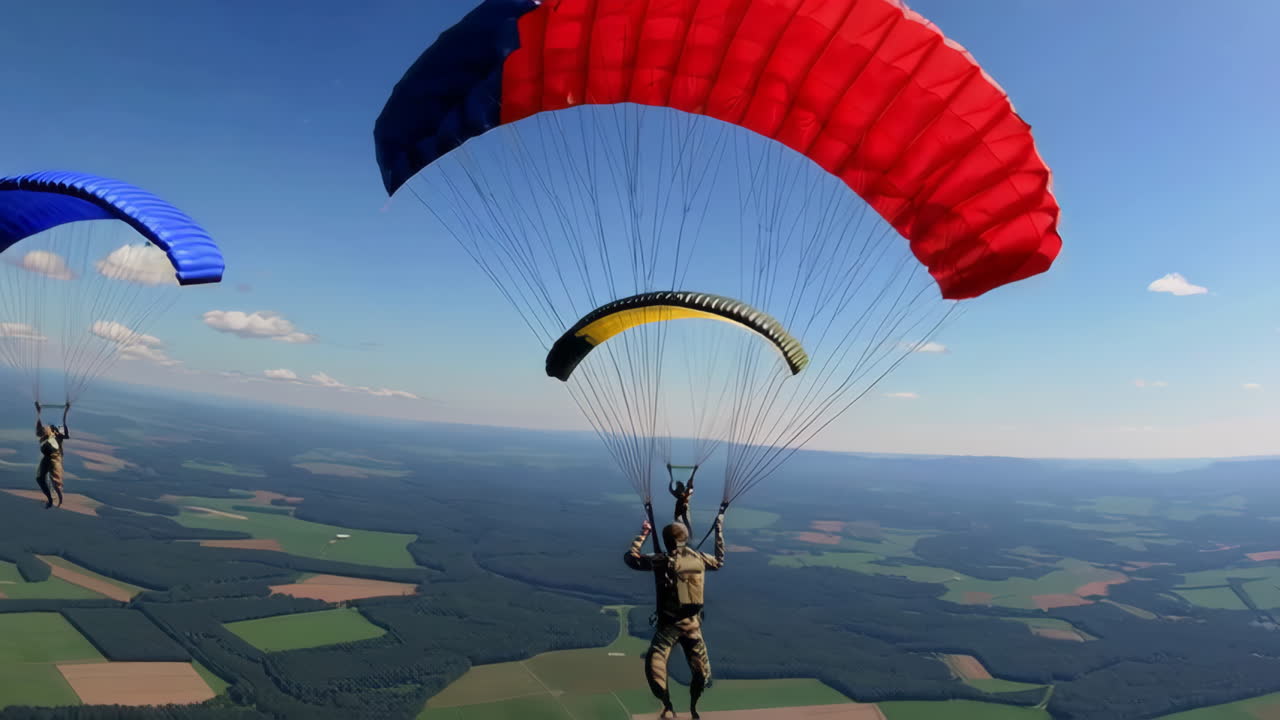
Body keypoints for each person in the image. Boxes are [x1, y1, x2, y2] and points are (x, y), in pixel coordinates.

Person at [625, 516, 726, 720]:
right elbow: (719, 561)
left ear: (667, 541)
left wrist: (644, 533)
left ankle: (667, 706)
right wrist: (718, 529)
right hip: (692, 626)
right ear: (685, 539)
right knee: (701, 673)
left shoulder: (661, 561)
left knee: (656, 664)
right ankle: (693, 708)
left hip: (669, 627)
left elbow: (631, 558)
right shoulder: (700, 558)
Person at [34, 402, 70, 509]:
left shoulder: (58, 432)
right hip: (48, 458)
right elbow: (39, 430)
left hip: (55, 459)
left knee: (54, 481)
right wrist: (38, 412)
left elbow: (63, 426)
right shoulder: (47, 432)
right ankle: (51, 499)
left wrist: (65, 412)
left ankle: (57, 498)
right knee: (40, 478)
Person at [668, 469, 695, 534]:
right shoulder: (679, 493)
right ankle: (686, 532)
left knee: (683, 520)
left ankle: (688, 533)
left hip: (682, 506)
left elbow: (670, 488)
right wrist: (670, 471)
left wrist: (694, 471)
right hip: (681, 506)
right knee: (679, 520)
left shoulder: (683, 492)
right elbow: (671, 487)